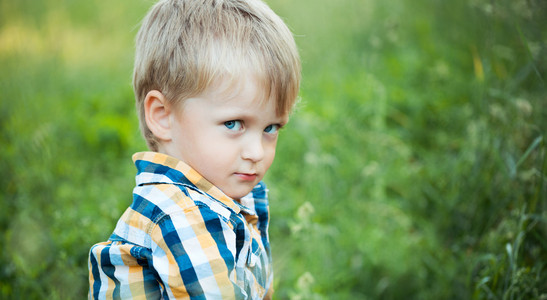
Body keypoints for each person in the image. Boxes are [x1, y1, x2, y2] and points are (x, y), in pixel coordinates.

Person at [88, 0, 300, 298]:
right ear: (163, 116)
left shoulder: (218, 200)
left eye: (271, 128)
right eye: (233, 124)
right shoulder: (183, 217)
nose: (256, 152)